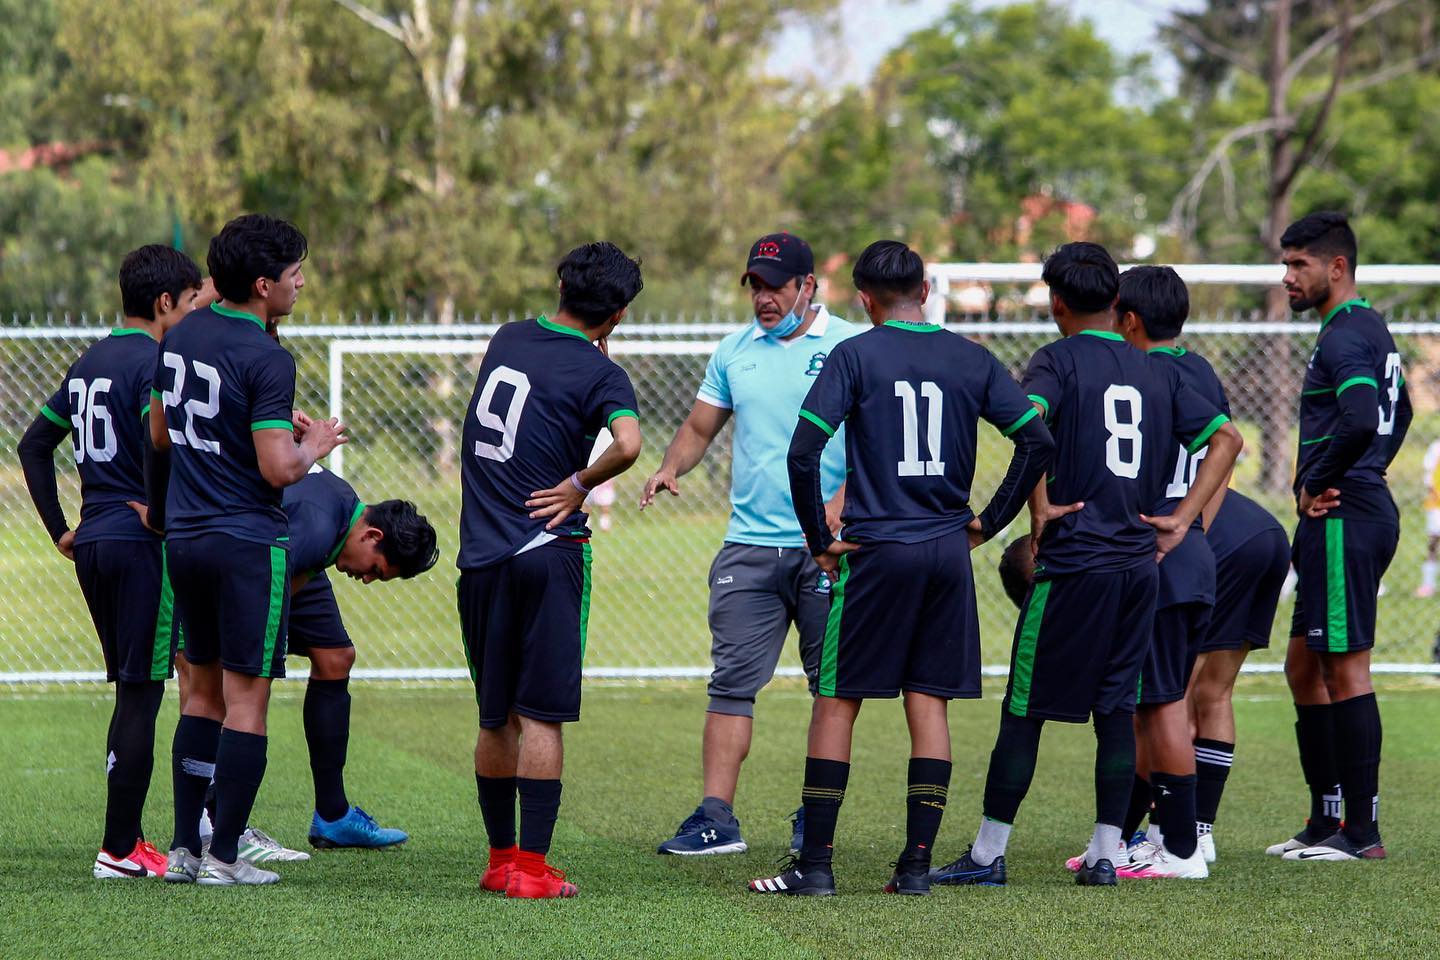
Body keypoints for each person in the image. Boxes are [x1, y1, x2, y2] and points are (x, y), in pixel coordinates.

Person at [748, 240, 1054, 897]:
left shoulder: (855, 354)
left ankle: (817, 868)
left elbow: (803, 454)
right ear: (925, 289)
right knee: (929, 703)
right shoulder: (971, 358)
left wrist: (817, 540)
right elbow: (1036, 439)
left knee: (836, 701)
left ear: (864, 298)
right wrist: (988, 522)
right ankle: (914, 869)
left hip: (879, 552)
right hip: (947, 553)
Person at [929, 242, 1241, 889]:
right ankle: (1105, 855)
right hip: (1139, 568)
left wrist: (1015, 513)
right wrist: (1180, 519)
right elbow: (1228, 440)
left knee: (1023, 709)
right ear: (1117, 301)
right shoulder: (1156, 370)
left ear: (1058, 302)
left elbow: (1030, 427)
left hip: (1075, 565)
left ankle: (988, 855)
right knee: (1115, 709)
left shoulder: (1058, 360)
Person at [642, 232, 855, 856]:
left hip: (831, 549)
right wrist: (670, 466)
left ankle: (813, 820)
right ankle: (716, 819)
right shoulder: (735, 351)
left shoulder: (850, 346)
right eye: (756, 286)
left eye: (776, 286)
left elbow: (876, 440)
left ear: (808, 286)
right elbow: (699, 425)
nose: (763, 298)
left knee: (832, 688)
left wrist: (839, 511)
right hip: (750, 547)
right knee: (731, 682)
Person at [151, 214, 346, 886]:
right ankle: (225, 857)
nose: (300, 285)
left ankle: (182, 850)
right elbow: (278, 470)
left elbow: (159, 430)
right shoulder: (268, 355)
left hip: (185, 536)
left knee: (198, 695)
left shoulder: (182, 334)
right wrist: (314, 445)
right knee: (245, 701)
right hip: (245, 542)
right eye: (295, 275)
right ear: (264, 283)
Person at [461, 241, 644, 899]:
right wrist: (578, 482)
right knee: (541, 717)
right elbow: (629, 445)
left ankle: (500, 859)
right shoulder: (604, 377)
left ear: (561, 286)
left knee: (494, 718)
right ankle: (533, 873)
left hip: (481, 558)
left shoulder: (509, 337)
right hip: (548, 552)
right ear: (618, 313)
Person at [17, 245, 206, 879]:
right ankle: (120, 849)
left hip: (95, 542)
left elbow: (34, 444)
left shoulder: (90, 360)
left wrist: (61, 531)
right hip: (139, 544)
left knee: (133, 692)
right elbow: (161, 441)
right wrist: (158, 509)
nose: (188, 314)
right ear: (164, 304)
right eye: (186, 303)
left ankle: (126, 842)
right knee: (142, 695)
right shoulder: (157, 362)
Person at [1270, 211, 1409, 862]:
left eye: (1299, 264)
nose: (1288, 277)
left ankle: (1363, 831)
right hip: (1350, 506)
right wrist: (1367, 467)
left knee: (1345, 670)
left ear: (1337, 267)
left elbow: (1359, 417)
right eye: (1286, 263)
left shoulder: (1345, 335)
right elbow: (1398, 410)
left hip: (1343, 513)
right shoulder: (1365, 327)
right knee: (1304, 666)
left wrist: (1322, 478)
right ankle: (1326, 818)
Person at [1107, 266, 1231, 881]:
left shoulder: (1143, 373)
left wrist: (1177, 521)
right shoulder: (1200, 369)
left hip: (1162, 557)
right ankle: (1156, 836)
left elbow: (1227, 441)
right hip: (1192, 556)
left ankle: (1179, 849)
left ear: (1128, 319)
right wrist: (1198, 523)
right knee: (1155, 704)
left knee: (1161, 707)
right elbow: (1223, 455)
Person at [281, 466, 439, 848]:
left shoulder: (339, 518)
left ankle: (333, 816)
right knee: (242, 673)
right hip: (245, 558)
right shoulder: (315, 530)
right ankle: (217, 824)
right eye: (375, 570)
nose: (366, 579)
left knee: (335, 656)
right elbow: (257, 590)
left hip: (293, 559)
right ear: (372, 535)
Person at [1188, 489, 1289, 862]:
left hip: (1217, 539)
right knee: (1214, 692)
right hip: (1265, 532)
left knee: (1173, 697)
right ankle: (1200, 830)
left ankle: (1170, 832)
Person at [1417, 440, 1440, 597]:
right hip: (1437, 503)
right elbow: (1429, 479)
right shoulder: (1436, 447)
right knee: (1434, 542)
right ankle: (1428, 584)